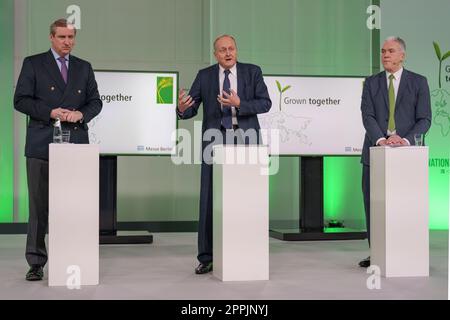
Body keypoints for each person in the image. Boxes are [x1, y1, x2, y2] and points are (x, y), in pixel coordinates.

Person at [14, 18, 102, 280]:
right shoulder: (33, 63)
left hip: (75, 146)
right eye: (62, 37)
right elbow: (20, 100)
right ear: (51, 37)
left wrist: (80, 114)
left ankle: (73, 256)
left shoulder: (84, 68)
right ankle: (36, 262)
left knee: (75, 205)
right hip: (42, 143)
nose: (67, 42)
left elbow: (96, 102)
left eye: (71, 37)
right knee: (39, 207)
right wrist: (50, 112)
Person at [177, 35, 272, 274]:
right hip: (214, 142)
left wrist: (241, 103)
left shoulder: (253, 72)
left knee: (248, 198)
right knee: (209, 197)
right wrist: (181, 109)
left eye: (231, 49)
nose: (228, 53)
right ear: (215, 54)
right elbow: (192, 108)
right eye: (222, 50)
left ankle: (247, 251)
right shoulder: (205, 75)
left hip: (246, 141)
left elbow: (265, 103)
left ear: (236, 50)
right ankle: (207, 257)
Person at [359, 36, 431, 267]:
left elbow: (425, 119)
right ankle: (377, 253)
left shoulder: (419, 82)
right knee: (373, 204)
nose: (385, 55)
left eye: (390, 51)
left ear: (402, 55)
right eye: (382, 51)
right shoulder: (371, 83)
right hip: (375, 153)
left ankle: (406, 252)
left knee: (405, 204)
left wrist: (405, 140)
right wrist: (381, 139)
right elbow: (367, 115)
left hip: (406, 157)